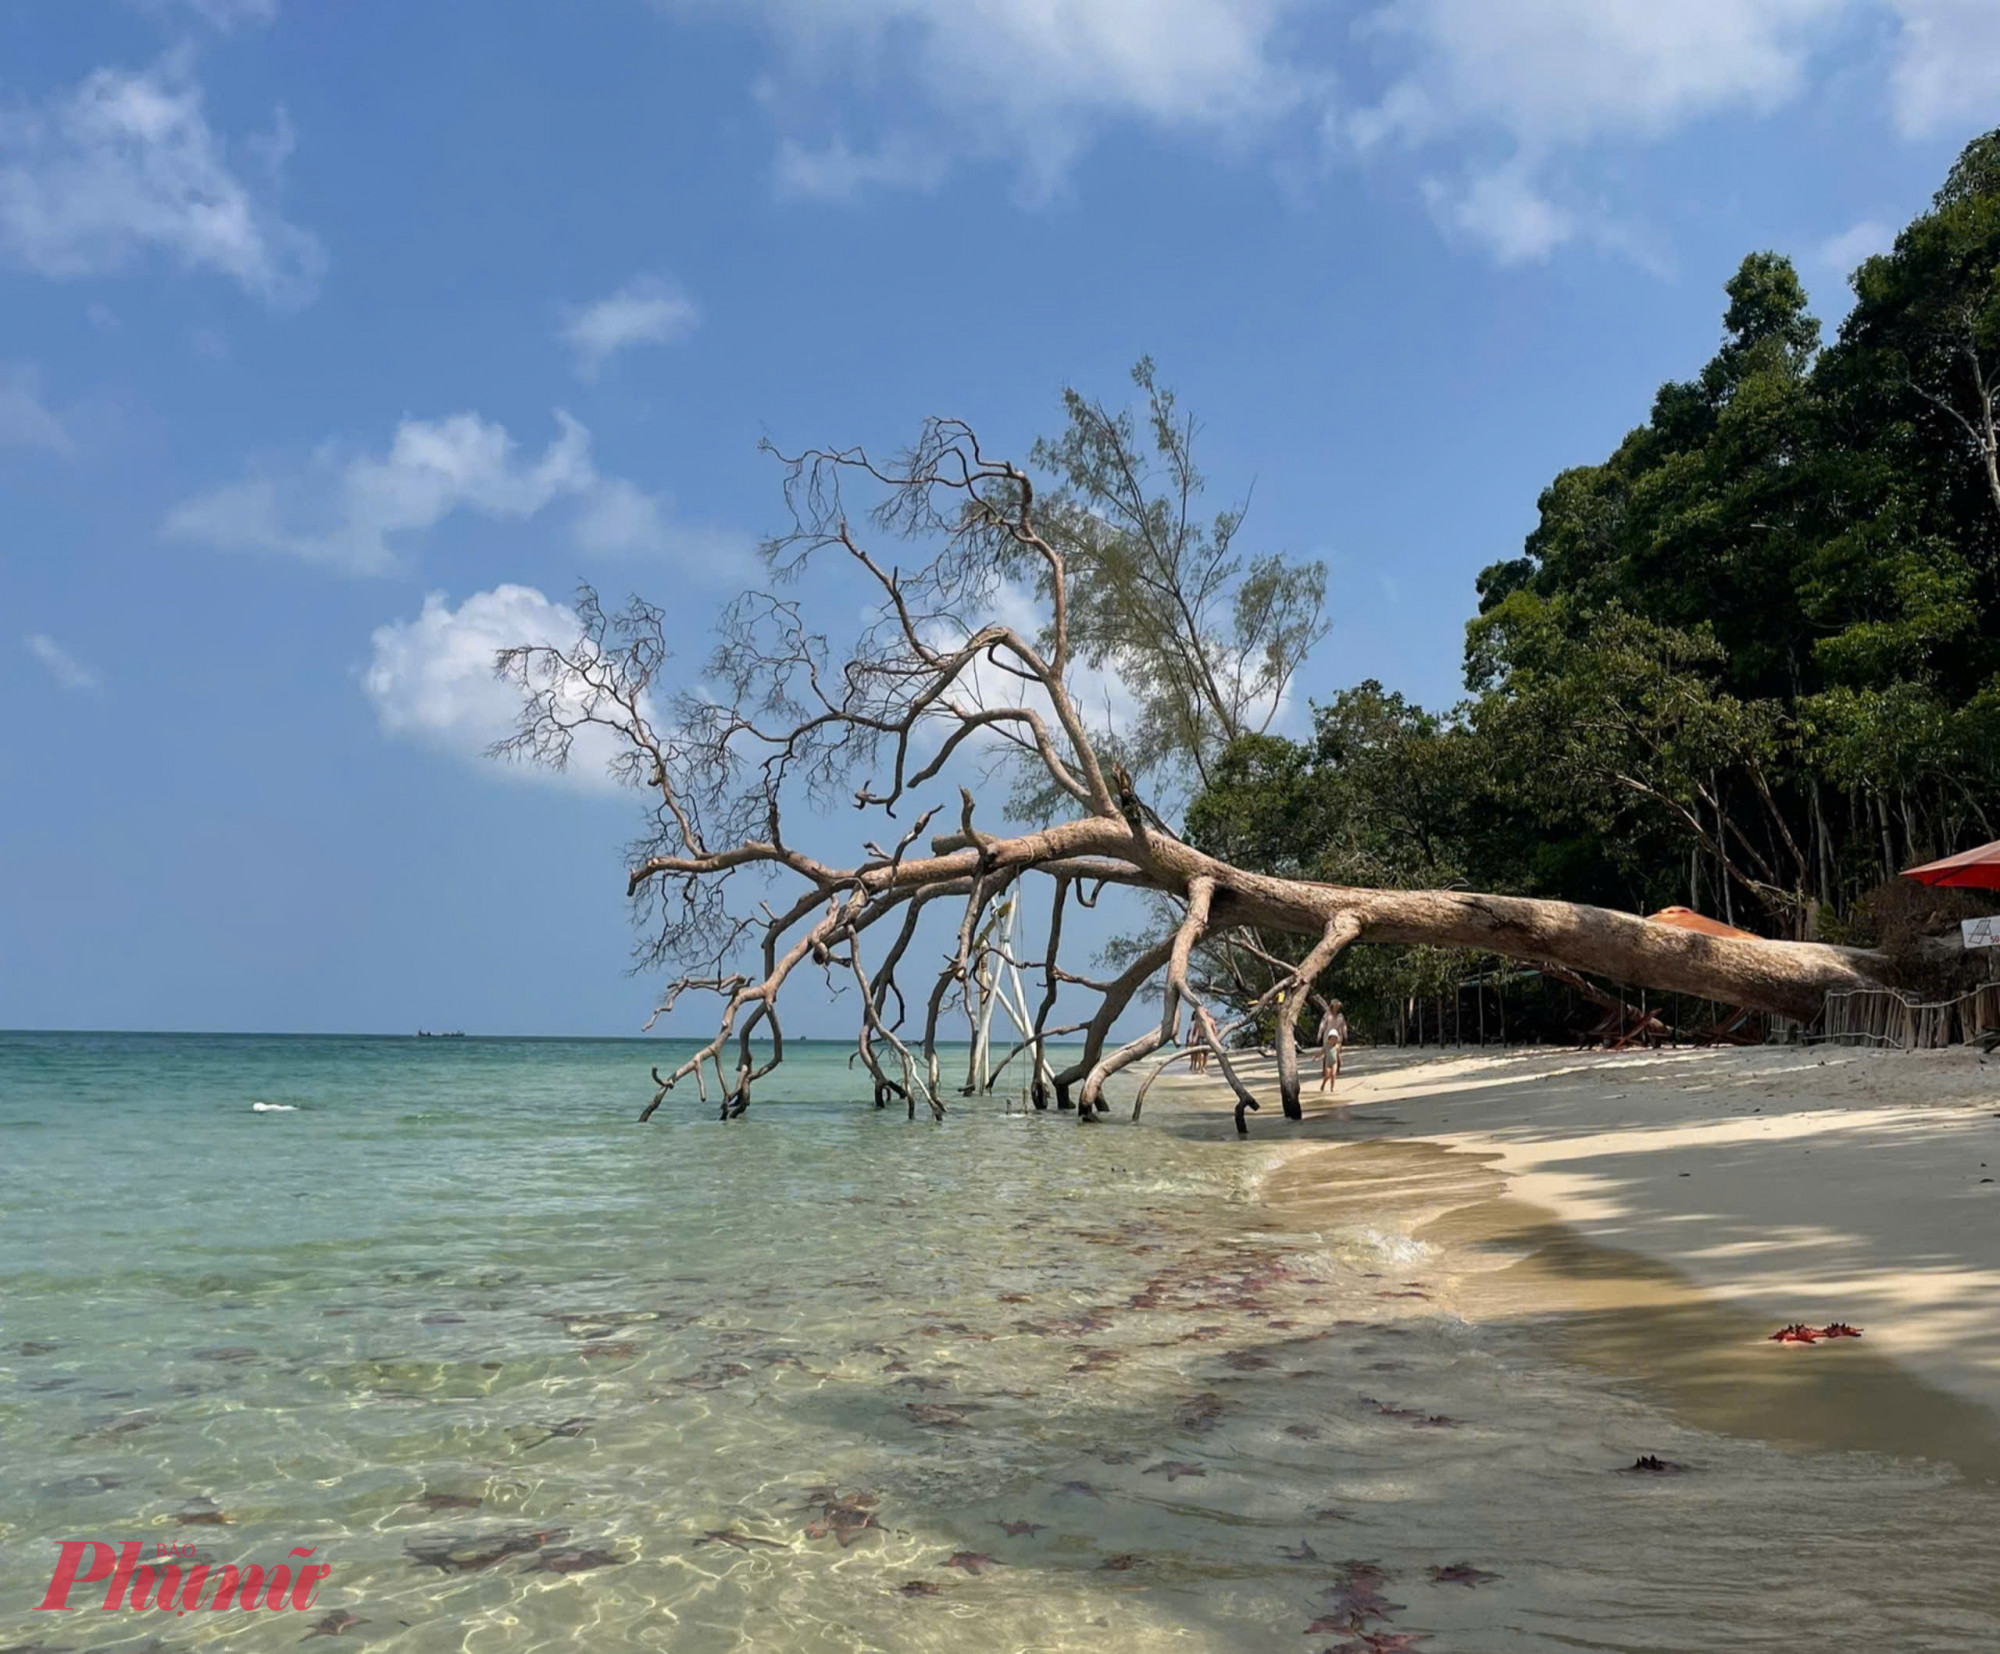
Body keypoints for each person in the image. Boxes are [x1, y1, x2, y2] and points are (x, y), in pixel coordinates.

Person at [1318, 1000, 1349, 1091]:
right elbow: (1322, 1025)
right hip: (1328, 1035)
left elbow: (1343, 1026)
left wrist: (1345, 1034)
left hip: (1337, 1035)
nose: (1337, 1008)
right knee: (1327, 1053)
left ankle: (1336, 1070)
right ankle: (1325, 1070)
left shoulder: (1340, 1016)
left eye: (1338, 1007)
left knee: (1338, 1052)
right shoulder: (1327, 1015)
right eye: (1336, 1006)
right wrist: (1319, 1034)